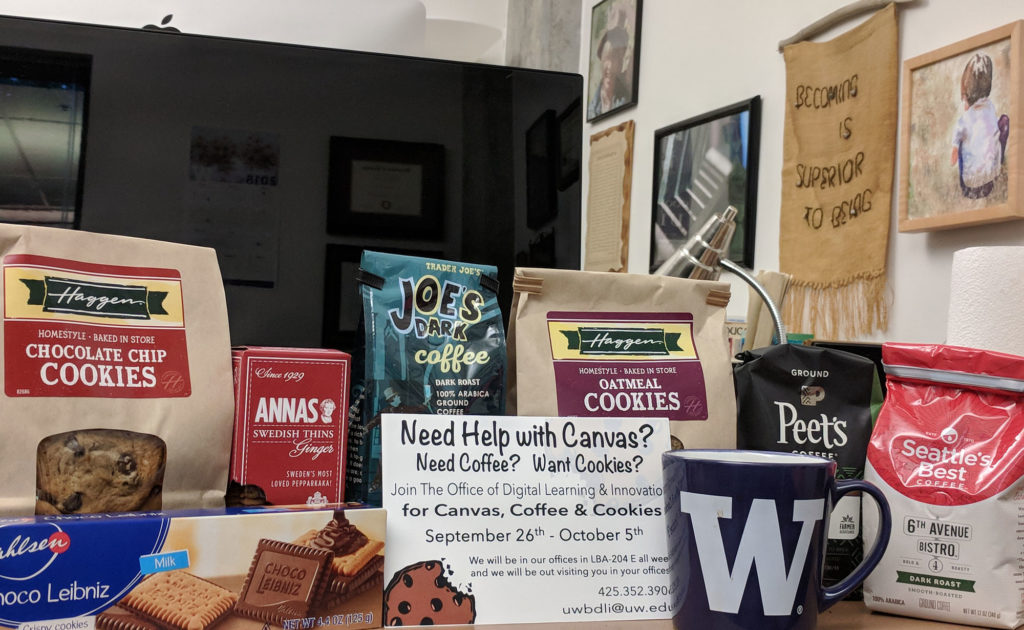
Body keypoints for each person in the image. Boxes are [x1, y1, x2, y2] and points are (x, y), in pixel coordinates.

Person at [951, 52, 1010, 199]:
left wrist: (956, 149)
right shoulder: (990, 107)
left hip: (969, 186)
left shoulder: (963, 120)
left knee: (960, 141)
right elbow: (991, 131)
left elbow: (954, 152)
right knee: (1003, 121)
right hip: (990, 180)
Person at [587, 25, 630, 119]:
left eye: (615, 58)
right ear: (601, 59)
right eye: (607, 57)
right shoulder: (590, 109)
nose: (610, 66)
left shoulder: (625, 99)